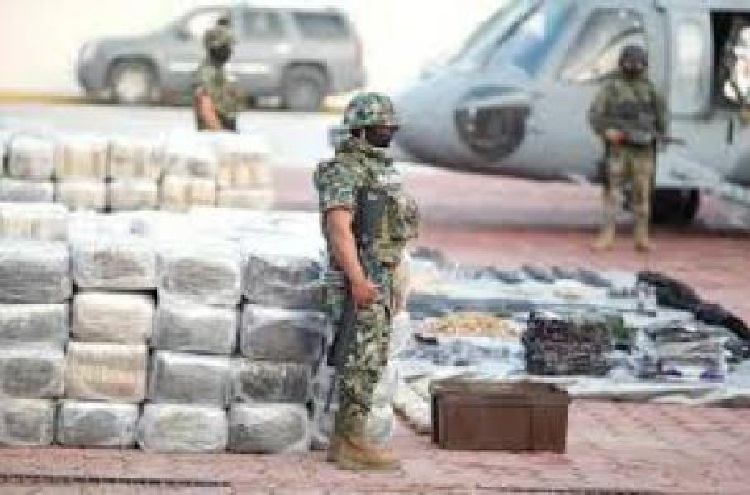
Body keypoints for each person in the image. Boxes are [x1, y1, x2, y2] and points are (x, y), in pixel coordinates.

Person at [313, 92, 418, 470]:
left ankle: (348, 439)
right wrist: (357, 280)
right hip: (359, 278)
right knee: (359, 360)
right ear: (359, 130)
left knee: (371, 360)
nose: (388, 133)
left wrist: (396, 277)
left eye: (390, 128)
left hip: (381, 276)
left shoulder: (381, 170)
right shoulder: (343, 170)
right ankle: (350, 443)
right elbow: (339, 228)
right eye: (380, 128)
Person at [588, 45, 667, 252]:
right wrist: (607, 132)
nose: (634, 66)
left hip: (643, 151)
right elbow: (595, 115)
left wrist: (658, 136)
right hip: (618, 149)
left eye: (638, 62)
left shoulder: (651, 90)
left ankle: (642, 238)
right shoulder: (611, 89)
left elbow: (662, 118)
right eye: (630, 62)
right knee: (612, 195)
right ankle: (607, 237)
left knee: (642, 195)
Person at [192, 22, 243, 131]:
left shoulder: (220, 71)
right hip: (213, 135)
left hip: (223, 132)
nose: (230, 51)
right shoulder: (206, 73)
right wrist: (220, 133)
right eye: (226, 47)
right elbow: (206, 107)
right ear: (215, 48)